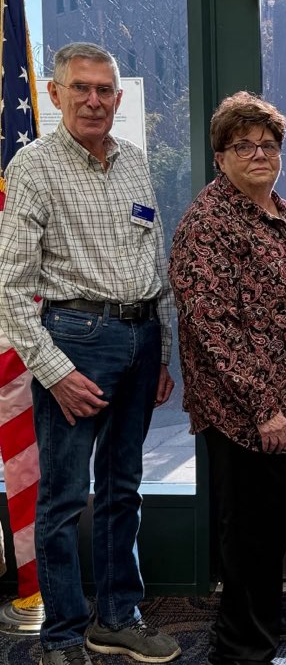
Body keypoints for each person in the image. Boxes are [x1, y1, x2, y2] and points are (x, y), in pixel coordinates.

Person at [0, 42, 180, 665]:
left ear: (118, 97)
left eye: (105, 90)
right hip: (73, 340)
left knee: (124, 485)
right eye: (81, 88)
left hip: (140, 335)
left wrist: (160, 352)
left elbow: (149, 257)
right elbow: (11, 288)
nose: (94, 100)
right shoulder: (33, 167)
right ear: (54, 95)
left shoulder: (134, 161)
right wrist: (55, 372)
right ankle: (63, 636)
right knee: (64, 497)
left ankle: (118, 618)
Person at [169, 91, 286, 664]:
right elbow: (214, 327)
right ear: (221, 156)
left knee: (272, 526)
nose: (259, 154)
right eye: (243, 145)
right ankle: (241, 645)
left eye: (268, 145)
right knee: (248, 534)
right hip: (248, 413)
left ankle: (259, 617)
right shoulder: (209, 220)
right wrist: (263, 406)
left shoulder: (280, 211)